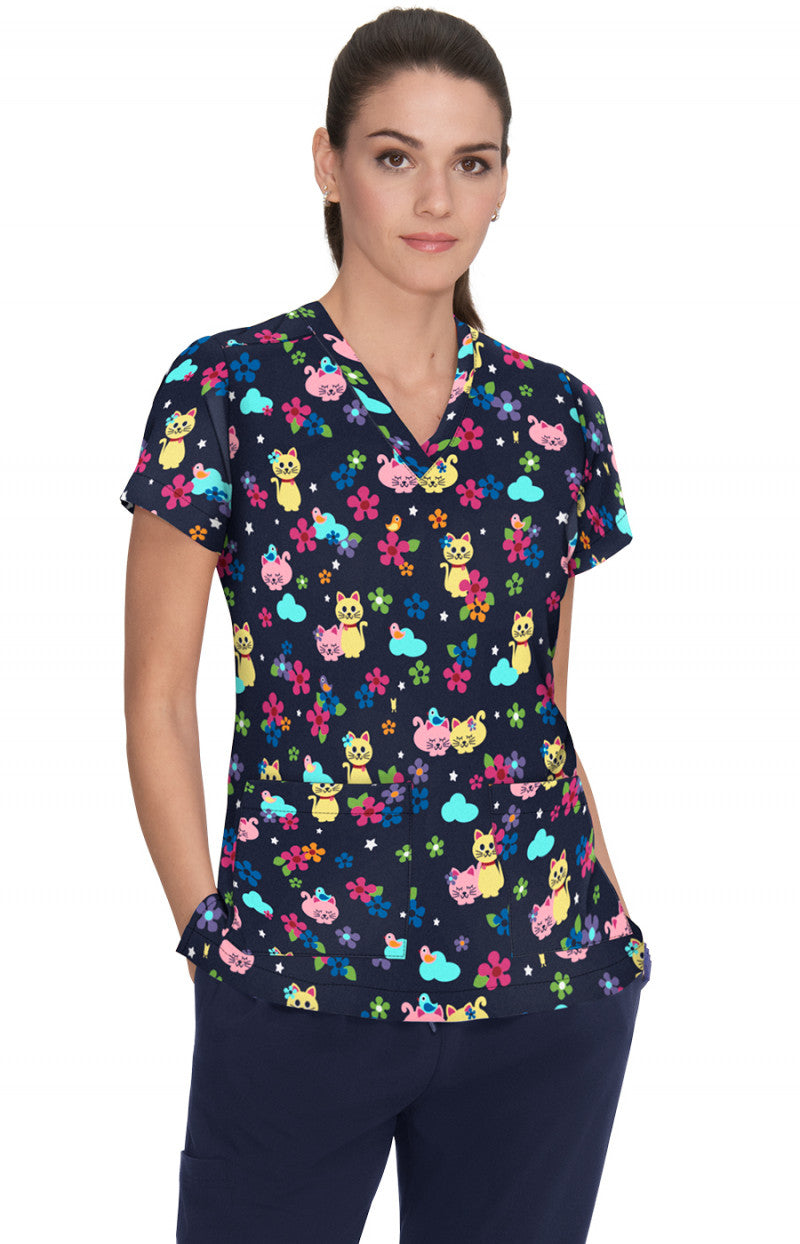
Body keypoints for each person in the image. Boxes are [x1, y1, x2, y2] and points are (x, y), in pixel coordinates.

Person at [120, 8, 653, 1242]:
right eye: (394, 155)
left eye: (472, 161)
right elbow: (155, 695)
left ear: (504, 180)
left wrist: (609, 912)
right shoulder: (228, 390)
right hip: (296, 982)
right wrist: (209, 933)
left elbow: (537, 699)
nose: (434, 199)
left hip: (541, 982)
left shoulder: (553, 417)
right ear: (328, 163)